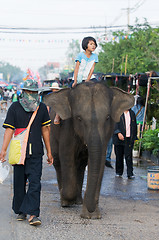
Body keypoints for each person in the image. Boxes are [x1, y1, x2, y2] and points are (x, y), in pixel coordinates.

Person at [0, 79, 53, 226]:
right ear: (24, 92)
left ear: (37, 93)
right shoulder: (15, 107)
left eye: (34, 92)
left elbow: (45, 130)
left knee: (35, 182)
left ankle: (33, 214)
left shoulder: (41, 108)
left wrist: (49, 151)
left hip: (36, 152)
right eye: (29, 92)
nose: (31, 95)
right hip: (18, 152)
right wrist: (3, 150)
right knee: (19, 182)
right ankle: (21, 210)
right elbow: (9, 130)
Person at [113, 109, 137, 179]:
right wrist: (118, 133)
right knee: (119, 156)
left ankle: (130, 173)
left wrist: (134, 137)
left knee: (129, 156)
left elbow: (134, 125)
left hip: (129, 138)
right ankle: (119, 172)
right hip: (119, 138)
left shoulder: (132, 113)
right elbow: (114, 124)